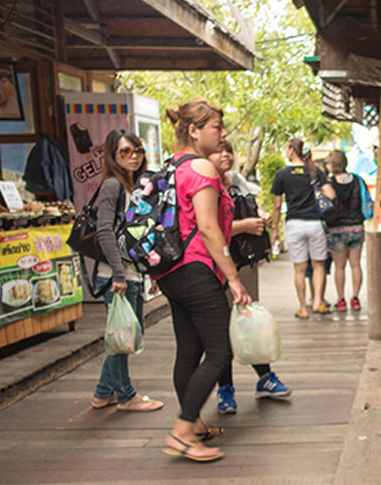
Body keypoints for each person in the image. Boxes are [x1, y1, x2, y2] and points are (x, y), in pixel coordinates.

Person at [157, 99, 251, 462]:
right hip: (197, 269)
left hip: (172, 270)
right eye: (216, 127)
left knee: (189, 349)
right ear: (193, 131)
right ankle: (182, 431)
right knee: (220, 351)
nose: (223, 134)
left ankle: (193, 423)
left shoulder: (174, 165)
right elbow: (210, 229)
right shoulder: (201, 168)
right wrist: (233, 279)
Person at [208, 142, 291, 414]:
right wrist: (243, 226)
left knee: (249, 319)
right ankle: (225, 389)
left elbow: (249, 206)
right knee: (221, 329)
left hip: (245, 261)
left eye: (229, 151)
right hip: (217, 264)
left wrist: (262, 216)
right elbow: (206, 228)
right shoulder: (205, 182)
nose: (226, 156)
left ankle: (265, 378)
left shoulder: (238, 179)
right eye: (219, 151)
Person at [89, 129, 164, 413]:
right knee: (124, 337)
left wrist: (151, 271)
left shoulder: (137, 185)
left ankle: (102, 393)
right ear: (113, 155)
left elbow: (139, 234)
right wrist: (119, 275)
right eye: (125, 152)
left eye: (138, 151)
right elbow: (104, 231)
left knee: (128, 334)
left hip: (131, 273)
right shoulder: (112, 185)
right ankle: (126, 396)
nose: (133, 157)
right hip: (115, 275)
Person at [270, 139, 335, 318]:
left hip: (294, 224)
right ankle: (317, 302)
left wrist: (275, 230)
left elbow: (277, 206)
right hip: (315, 224)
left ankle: (303, 309)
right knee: (318, 265)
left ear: (292, 151)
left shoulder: (282, 174)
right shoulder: (314, 172)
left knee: (299, 269)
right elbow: (331, 194)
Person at [325, 150, 365, 312]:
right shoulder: (356, 180)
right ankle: (355, 298)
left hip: (337, 229)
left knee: (339, 267)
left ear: (333, 165)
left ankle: (341, 300)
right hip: (356, 227)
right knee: (356, 265)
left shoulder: (330, 182)